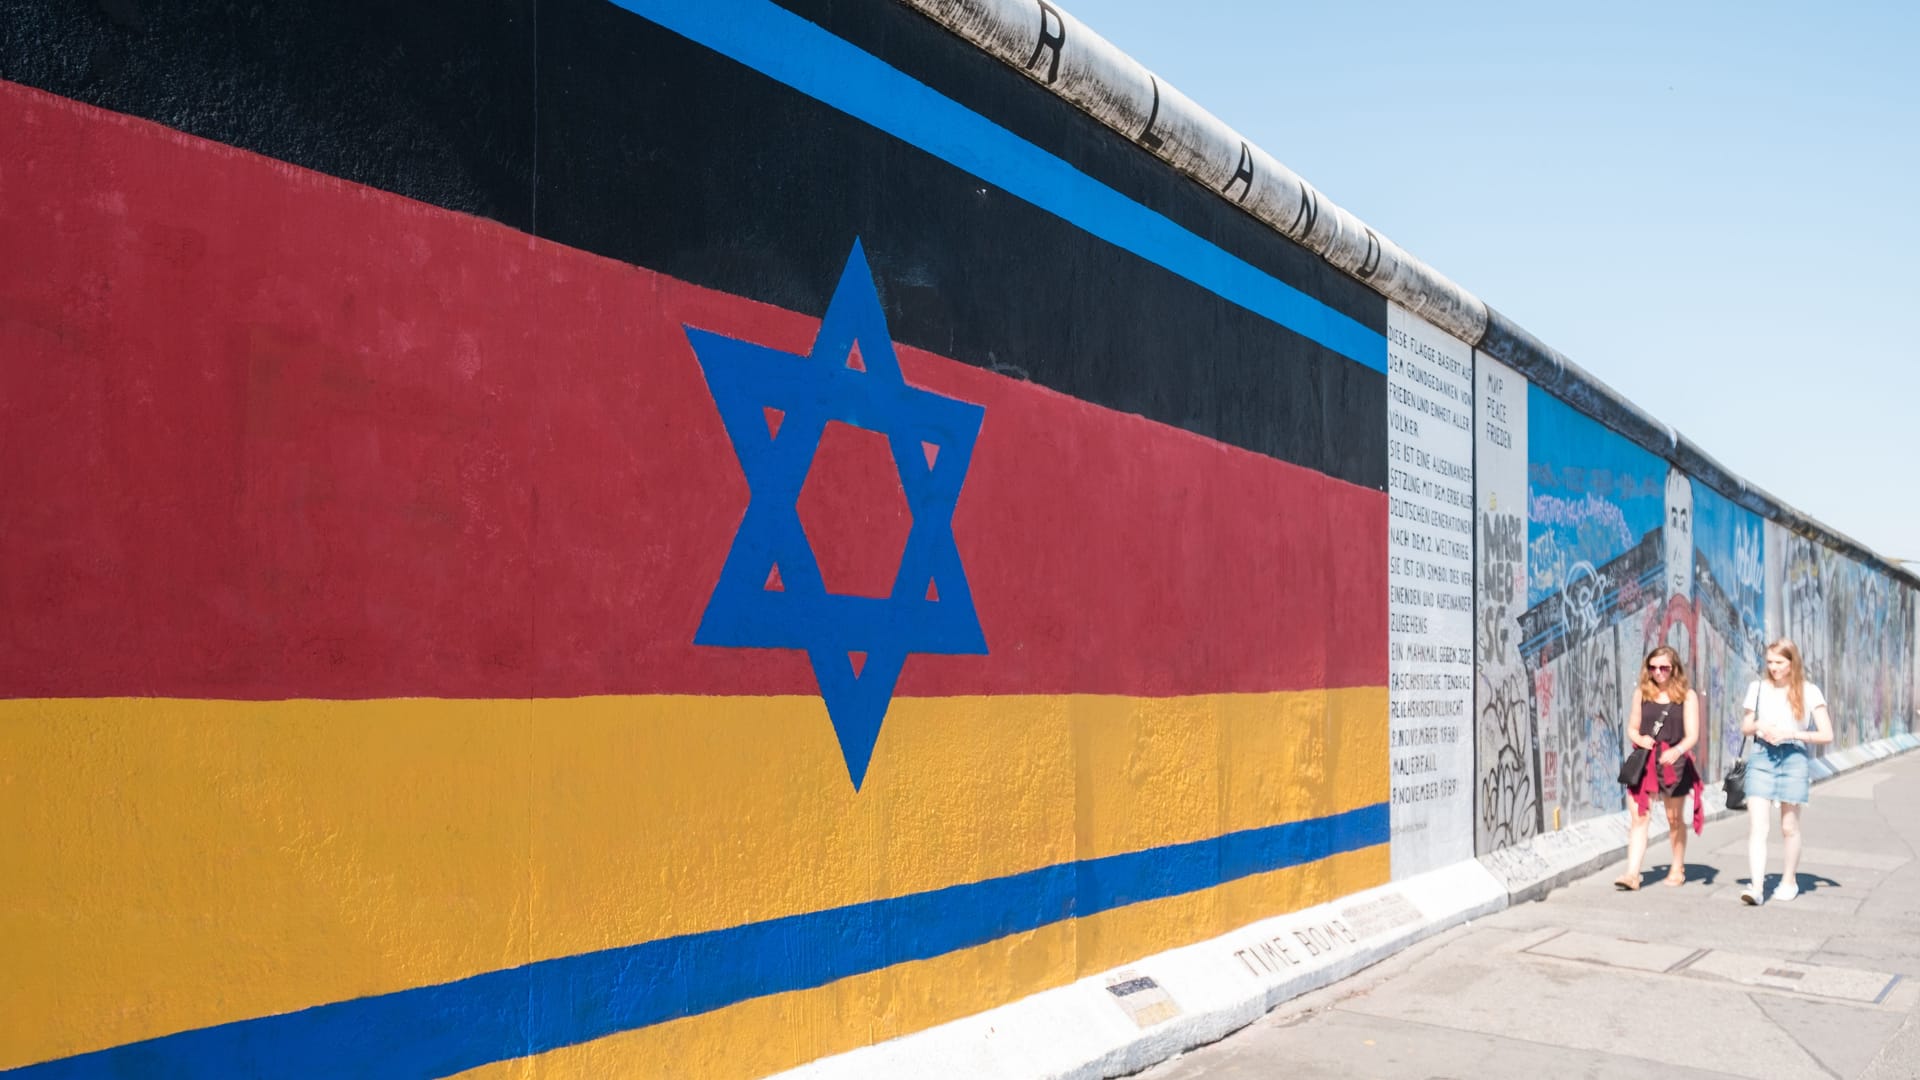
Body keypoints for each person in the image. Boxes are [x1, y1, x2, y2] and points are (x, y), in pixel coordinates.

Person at [1738, 639, 1834, 905]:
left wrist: (1789, 733)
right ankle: (1756, 887)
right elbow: (1745, 726)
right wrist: (1758, 724)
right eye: (1769, 662)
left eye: (1779, 662)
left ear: (1792, 662)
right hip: (1761, 756)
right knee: (1758, 826)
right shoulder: (1757, 688)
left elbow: (1826, 734)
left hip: (1793, 757)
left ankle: (1789, 880)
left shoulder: (1809, 691)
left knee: (1789, 826)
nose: (1773, 668)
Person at [1614, 645, 1704, 890]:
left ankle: (1677, 866)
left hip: (1674, 763)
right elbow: (1632, 727)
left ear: (1674, 668)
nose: (1658, 672)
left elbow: (1693, 734)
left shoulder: (1687, 696)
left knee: (1674, 819)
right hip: (1645, 761)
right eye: (1653, 667)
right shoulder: (1642, 693)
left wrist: (1676, 750)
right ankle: (1632, 874)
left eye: (1663, 667)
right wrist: (1640, 738)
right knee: (1639, 817)